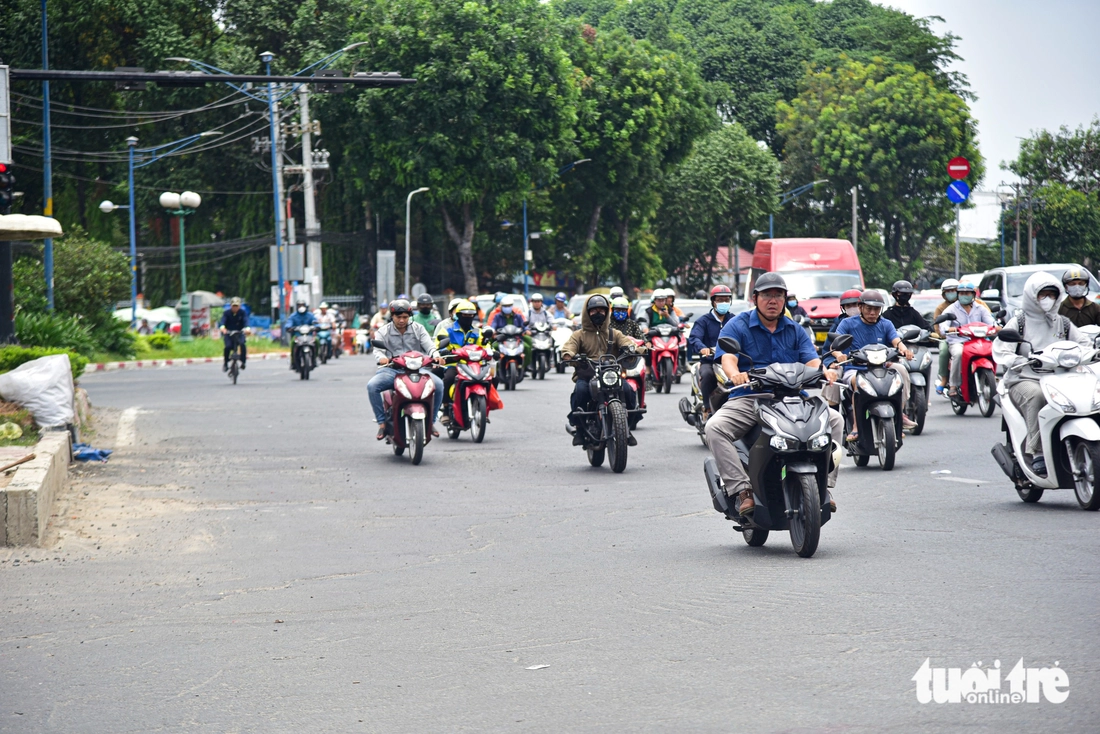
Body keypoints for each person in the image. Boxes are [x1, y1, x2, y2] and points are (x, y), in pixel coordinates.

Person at [704, 272, 844, 516]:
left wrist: (824, 372)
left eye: (778, 295)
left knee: (835, 420)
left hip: (792, 397)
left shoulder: (795, 329)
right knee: (715, 427)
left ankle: (825, 486)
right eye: (767, 295)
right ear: (755, 298)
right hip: (750, 397)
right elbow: (727, 357)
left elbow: (811, 360)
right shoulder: (737, 324)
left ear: (784, 299)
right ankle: (741, 489)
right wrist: (735, 373)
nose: (773, 300)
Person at [994, 272, 1089, 476]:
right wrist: (1019, 360)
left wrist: (1085, 354)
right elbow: (1001, 350)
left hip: (1060, 379)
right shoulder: (1019, 322)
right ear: (1032, 296)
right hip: (1025, 379)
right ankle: (1036, 452)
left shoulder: (1062, 323)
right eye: (1042, 295)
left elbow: (1084, 343)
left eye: (1052, 295)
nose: (1048, 299)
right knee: (1036, 396)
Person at [561, 295, 644, 445]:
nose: (598, 313)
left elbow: (628, 343)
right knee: (580, 391)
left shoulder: (614, 333)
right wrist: (569, 355)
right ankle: (579, 429)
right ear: (587, 313)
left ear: (607, 312)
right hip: (587, 376)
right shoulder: (579, 335)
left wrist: (634, 349)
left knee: (629, 392)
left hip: (611, 375)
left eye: (602, 310)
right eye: (594, 311)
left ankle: (626, 427)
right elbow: (569, 348)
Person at [834, 289, 917, 434]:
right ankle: (856, 426)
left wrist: (905, 350)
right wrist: (839, 355)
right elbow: (835, 344)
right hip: (855, 368)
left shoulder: (886, 324)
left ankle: (901, 414)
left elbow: (896, 341)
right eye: (869, 308)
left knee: (901, 370)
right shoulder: (847, 323)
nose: (872, 313)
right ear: (860, 307)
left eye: (876, 309)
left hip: (882, 367)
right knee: (855, 381)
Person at [368, 299, 445, 440]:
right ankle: (382, 423)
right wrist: (382, 358)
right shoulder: (383, 331)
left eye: (405, 317)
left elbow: (430, 346)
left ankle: (431, 421)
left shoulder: (418, 329)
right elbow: (378, 351)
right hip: (392, 370)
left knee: (439, 384)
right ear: (392, 316)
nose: (402, 320)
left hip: (418, 370)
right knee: (372, 386)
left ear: (409, 316)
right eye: (398, 317)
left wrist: (436, 356)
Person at [438, 300, 496, 420]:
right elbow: (439, 344)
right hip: (455, 363)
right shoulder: (447, 330)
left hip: (475, 364)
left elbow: (485, 345)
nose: (468, 318)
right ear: (458, 315)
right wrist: (444, 352)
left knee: (493, 378)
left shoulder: (477, 331)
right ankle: (446, 410)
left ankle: (485, 406)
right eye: (465, 315)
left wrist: (491, 351)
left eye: (471, 315)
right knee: (448, 379)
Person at [940, 282, 996, 398]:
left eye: (967, 293)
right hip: (958, 341)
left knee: (993, 350)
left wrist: (997, 328)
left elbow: (991, 323)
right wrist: (949, 329)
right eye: (961, 293)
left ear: (973, 295)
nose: (964, 295)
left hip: (978, 341)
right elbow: (943, 327)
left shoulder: (980, 308)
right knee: (959, 354)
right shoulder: (951, 309)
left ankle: (993, 378)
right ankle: (953, 386)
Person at [687, 285, 735, 414]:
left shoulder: (735, 320)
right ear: (713, 301)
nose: (723, 303)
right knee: (707, 375)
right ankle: (707, 408)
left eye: (726, 300)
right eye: (720, 300)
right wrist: (702, 348)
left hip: (732, 361)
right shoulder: (703, 321)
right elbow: (695, 337)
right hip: (710, 361)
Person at [933, 279, 959, 394]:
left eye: (954, 290)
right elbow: (938, 327)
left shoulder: (971, 305)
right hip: (948, 338)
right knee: (944, 351)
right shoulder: (941, 308)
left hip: (968, 337)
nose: (951, 293)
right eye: (948, 291)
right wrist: (945, 333)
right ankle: (944, 379)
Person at [218, 297, 251, 370]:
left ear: (239, 306)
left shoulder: (242, 313)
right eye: (233, 306)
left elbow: (246, 321)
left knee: (242, 344)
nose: (235, 308)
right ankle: (226, 363)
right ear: (231, 306)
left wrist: (247, 329)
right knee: (227, 347)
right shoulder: (226, 313)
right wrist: (223, 328)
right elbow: (223, 322)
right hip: (229, 333)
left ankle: (243, 362)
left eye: (237, 306)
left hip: (240, 333)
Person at [285, 299, 318, 371]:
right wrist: (289, 327)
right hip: (297, 335)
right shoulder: (293, 316)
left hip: (309, 335)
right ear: (297, 307)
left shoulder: (310, 315)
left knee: (317, 340)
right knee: (293, 343)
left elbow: (315, 321)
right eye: (299, 305)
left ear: (305, 306)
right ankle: (293, 362)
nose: (301, 307)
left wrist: (316, 326)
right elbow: (289, 323)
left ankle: (315, 358)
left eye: (303, 305)